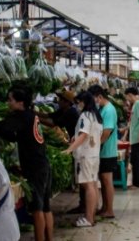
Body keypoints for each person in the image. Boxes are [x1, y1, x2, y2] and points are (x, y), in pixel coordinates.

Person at [0, 87, 54, 241]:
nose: (8, 103)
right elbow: (12, 135)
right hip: (42, 164)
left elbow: (4, 126)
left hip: (35, 167)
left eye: (10, 99)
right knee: (46, 207)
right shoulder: (31, 116)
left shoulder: (21, 117)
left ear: (20, 102)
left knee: (37, 208)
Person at [65, 91, 103, 227]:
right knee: (93, 185)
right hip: (94, 155)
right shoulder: (96, 116)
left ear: (83, 102)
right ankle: (92, 215)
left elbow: (83, 135)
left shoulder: (85, 116)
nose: (77, 105)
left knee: (88, 186)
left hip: (85, 156)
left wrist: (69, 149)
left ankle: (88, 218)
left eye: (78, 102)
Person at [45, 91, 83, 213]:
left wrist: (34, 119)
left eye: (61, 99)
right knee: (80, 176)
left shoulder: (71, 112)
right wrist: (33, 113)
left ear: (67, 102)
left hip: (77, 143)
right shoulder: (64, 110)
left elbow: (53, 123)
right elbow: (50, 116)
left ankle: (84, 205)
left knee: (82, 177)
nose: (58, 101)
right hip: (74, 141)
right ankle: (83, 204)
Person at [90, 84, 118, 220]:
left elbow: (107, 132)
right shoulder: (102, 109)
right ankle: (105, 207)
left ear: (100, 97)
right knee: (103, 179)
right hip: (102, 151)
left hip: (107, 151)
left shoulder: (109, 110)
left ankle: (110, 209)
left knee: (107, 180)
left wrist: (96, 146)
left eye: (94, 99)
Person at [125, 87, 139, 189]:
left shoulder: (138, 103)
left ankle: (137, 183)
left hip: (137, 135)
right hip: (134, 135)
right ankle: (135, 182)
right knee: (134, 159)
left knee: (136, 159)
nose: (127, 100)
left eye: (127, 98)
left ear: (130, 95)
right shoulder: (135, 105)